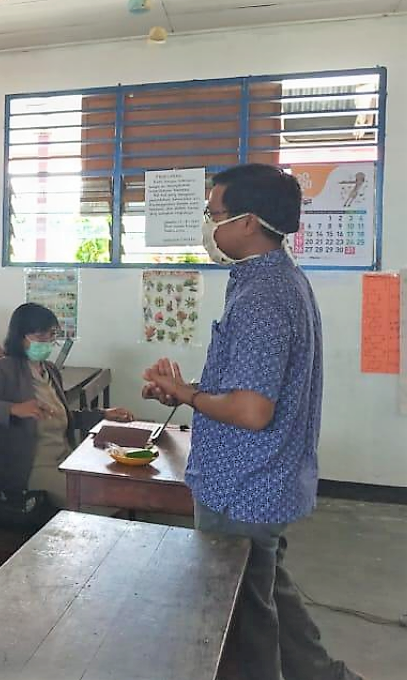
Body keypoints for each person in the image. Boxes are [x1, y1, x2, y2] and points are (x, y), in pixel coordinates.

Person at [141, 164, 361, 680]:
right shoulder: (277, 280)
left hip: (243, 483)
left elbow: (251, 410)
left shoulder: (262, 296)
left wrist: (189, 394)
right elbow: (249, 384)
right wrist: (186, 390)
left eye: (214, 214)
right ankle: (322, 674)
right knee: (269, 589)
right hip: (264, 479)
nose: (207, 225)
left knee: (241, 618)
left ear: (248, 222)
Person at [0, 303, 133, 523]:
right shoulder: (5, 369)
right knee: (107, 502)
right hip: (31, 470)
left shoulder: (49, 370)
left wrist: (103, 414)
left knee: (121, 488)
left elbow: (62, 417)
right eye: (39, 336)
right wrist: (12, 409)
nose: (47, 342)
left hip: (65, 460)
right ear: (21, 337)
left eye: (51, 335)